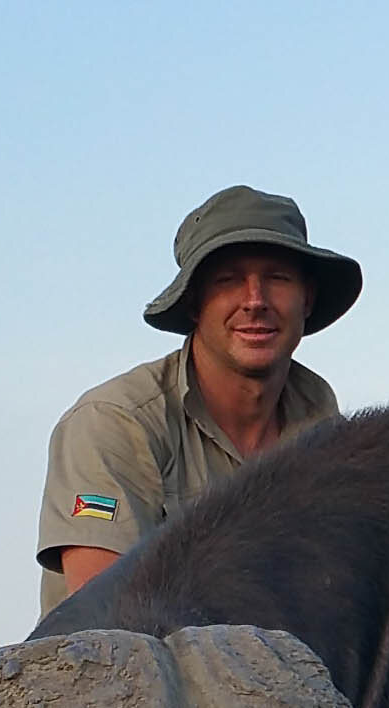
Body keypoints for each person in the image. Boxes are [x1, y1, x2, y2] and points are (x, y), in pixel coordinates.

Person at [36, 185, 356, 610]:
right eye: (229, 281)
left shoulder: (324, 424)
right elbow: (104, 621)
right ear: (193, 303)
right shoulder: (113, 421)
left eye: (277, 278)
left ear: (307, 298)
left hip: (287, 667)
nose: (255, 301)